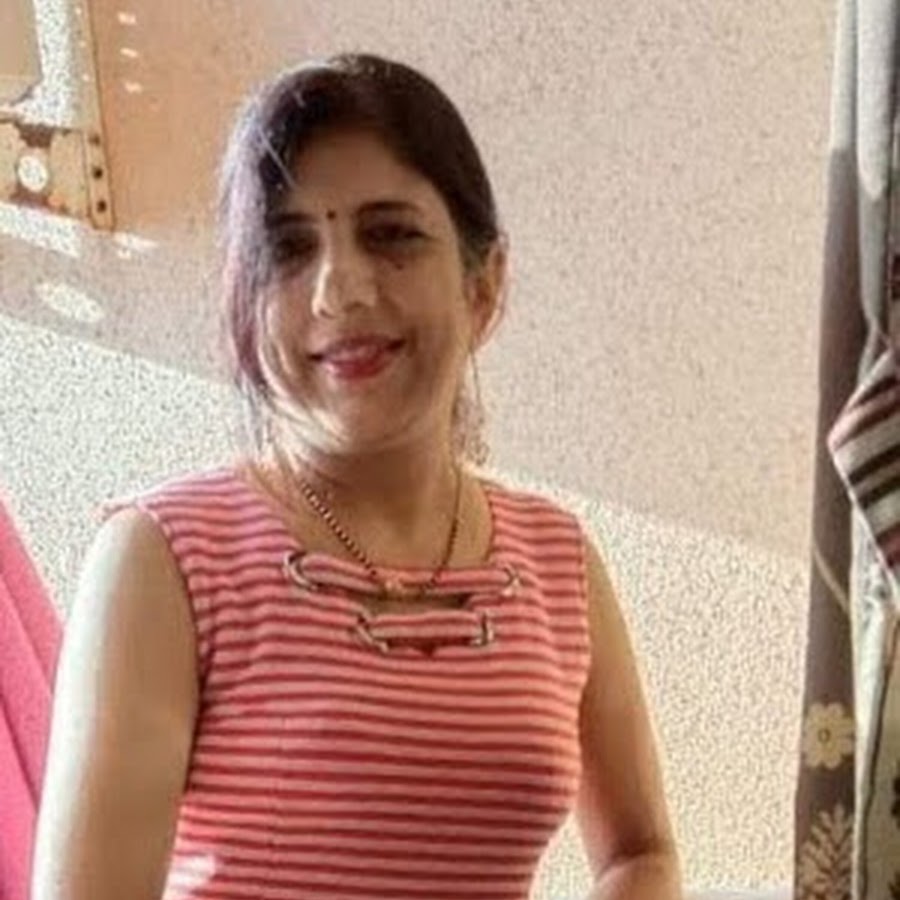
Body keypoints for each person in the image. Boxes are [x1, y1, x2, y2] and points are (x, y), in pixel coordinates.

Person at [30, 53, 682, 900]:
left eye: (391, 234)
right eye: (289, 248)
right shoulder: (164, 559)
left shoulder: (556, 561)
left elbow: (640, 851)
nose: (338, 290)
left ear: (484, 286)